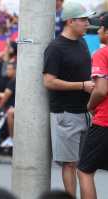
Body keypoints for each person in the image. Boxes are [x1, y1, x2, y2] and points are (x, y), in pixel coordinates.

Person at [43, 1, 95, 197]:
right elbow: (48, 81)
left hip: (85, 111)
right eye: (83, 20)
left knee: (85, 165)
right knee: (70, 163)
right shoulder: (55, 48)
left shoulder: (82, 42)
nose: (87, 23)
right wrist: (82, 85)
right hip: (65, 114)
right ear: (70, 21)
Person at [77, 14, 108, 199]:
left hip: (104, 121)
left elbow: (101, 90)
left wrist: (90, 105)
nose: (98, 31)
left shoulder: (102, 54)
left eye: (101, 28)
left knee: (85, 171)